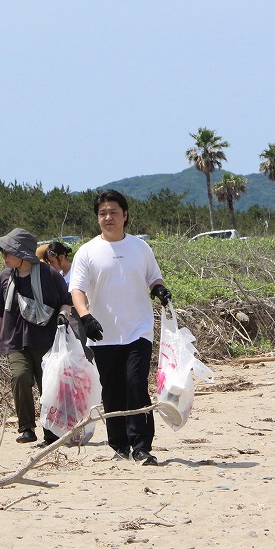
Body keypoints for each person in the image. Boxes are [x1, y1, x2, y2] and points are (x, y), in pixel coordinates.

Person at [70, 190, 171, 466]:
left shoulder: (140, 247)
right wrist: (86, 317)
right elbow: (76, 290)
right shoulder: (87, 252)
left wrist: (160, 289)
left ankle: (141, 446)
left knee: (135, 384)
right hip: (103, 335)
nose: (108, 217)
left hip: (139, 330)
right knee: (112, 389)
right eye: (102, 213)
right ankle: (119, 443)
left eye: (113, 212)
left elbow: (154, 277)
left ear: (125, 215)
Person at [0, 228, 71, 445]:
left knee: (48, 385)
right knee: (20, 377)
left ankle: (51, 430)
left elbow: (66, 300)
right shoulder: (4, 278)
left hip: (46, 340)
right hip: (14, 340)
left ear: (22, 253)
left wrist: (62, 316)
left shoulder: (49, 274)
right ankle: (27, 428)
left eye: (7, 252)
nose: (4, 256)